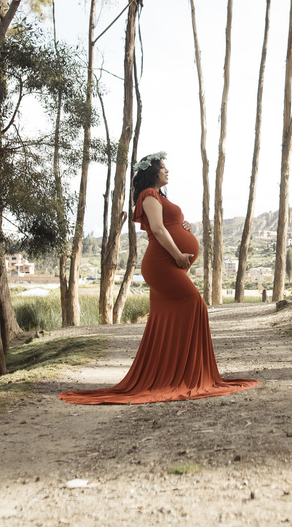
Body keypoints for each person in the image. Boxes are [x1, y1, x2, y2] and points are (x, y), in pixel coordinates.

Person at [57, 152, 259, 404]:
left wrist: (189, 228)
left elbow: (171, 224)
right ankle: (185, 374)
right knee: (196, 304)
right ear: (152, 172)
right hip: (162, 264)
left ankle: (176, 373)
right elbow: (158, 229)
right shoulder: (148, 195)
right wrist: (177, 255)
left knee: (169, 318)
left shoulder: (159, 197)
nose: (167, 171)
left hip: (170, 263)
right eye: (163, 168)